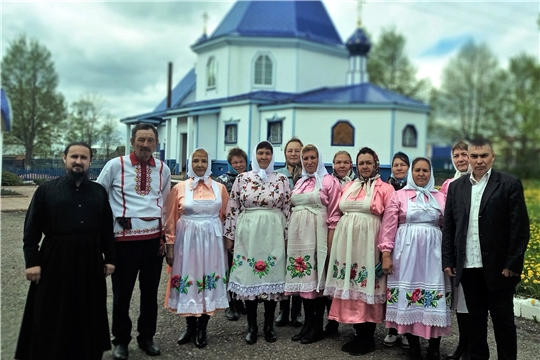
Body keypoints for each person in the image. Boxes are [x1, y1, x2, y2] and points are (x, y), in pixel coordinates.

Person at [15, 142, 115, 360]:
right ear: (64, 158)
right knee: (52, 309)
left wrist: (110, 258)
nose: (78, 161)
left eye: (83, 157)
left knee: (88, 309)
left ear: (90, 161)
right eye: (74, 156)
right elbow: (31, 230)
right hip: (54, 259)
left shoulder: (98, 192)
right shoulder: (46, 191)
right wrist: (32, 262)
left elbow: (107, 228)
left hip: (90, 259)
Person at [442, 138, 530, 360]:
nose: (479, 161)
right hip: (469, 267)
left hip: (499, 268)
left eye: (484, 156)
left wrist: (512, 264)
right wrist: (449, 260)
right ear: (468, 157)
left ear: (493, 157)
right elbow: (450, 227)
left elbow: (519, 228)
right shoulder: (456, 187)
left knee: (503, 323)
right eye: (474, 156)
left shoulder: (509, 184)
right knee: (475, 323)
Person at [97, 123, 171, 360]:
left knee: (149, 294)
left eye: (150, 140)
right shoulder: (115, 165)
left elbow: (167, 204)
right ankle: (120, 341)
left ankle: (146, 337)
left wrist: (167, 240)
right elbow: (98, 196)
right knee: (122, 294)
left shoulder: (163, 169)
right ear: (132, 141)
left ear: (156, 144)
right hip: (123, 241)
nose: (145, 144)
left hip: (153, 242)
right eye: (141, 139)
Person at [379, 157, 451, 360]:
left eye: (425, 170)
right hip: (406, 254)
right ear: (412, 173)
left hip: (433, 255)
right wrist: (386, 254)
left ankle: (434, 347)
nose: (421, 174)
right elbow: (388, 226)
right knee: (409, 296)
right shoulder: (399, 196)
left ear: (431, 173)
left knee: (433, 299)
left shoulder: (441, 197)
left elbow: (447, 227)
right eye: (417, 170)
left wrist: (448, 257)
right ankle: (413, 346)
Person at [324, 147, 394, 356]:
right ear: (357, 165)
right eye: (361, 163)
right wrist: (331, 245)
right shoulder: (348, 186)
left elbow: (389, 223)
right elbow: (335, 215)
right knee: (351, 286)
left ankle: (367, 337)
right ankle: (357, 332)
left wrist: (385, 251)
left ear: (375, 165)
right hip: (346, 245)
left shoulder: (385, 189)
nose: (364, 166)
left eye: (368, 163)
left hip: (369, 244)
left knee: (367, 288)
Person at [224, 140, 291, 344]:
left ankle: (268, 326)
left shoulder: (281, 179)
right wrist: (230, 235)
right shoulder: (242, 178)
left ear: (272, 156)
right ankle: (252, 326)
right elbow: (233, 206)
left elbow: (287, 208)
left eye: (267, 153)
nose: (264, 157)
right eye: (260, 153)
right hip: (248, 233)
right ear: (255, 155)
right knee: (250, 278)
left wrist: (287, 237)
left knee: (271, 276)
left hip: (274, 232)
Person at [164, 148, 229, 348]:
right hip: (187, 240)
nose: (200, 164)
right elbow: (171, 218)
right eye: (196, 160)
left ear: (209, 163)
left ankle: (203, 327)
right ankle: (190, 326)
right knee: (189, 278)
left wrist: (227, 241)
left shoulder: (220, 188)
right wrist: (170, 244)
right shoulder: (180, 188)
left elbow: (225, 217)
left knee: (208, 278)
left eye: (203, 161)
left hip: (212, 241)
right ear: (190, 163)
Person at [284, 144, 341, 344]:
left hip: (318, 235)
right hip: (300, 237)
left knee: (316, 283)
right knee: (304, 283)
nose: (309, 162)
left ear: (319, 159)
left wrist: (330, 240)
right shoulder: (300, 182)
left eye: (312, 158)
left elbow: (335, 212)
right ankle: (307, 324)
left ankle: (317, 326)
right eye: (305, 158)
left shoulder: (329, 181)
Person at [439, 140, 471, 360]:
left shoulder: (479, 182)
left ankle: (475, 346)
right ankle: (464, 343)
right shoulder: (449, 185)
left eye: (464, 154)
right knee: (460, 302)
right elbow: (446, 223)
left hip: (478, 251)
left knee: (475, 303)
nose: (460, 159)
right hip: (458, 252)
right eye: (456, 155)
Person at [216, 147, 249, 321]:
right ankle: (230, 303)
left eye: (241, 161)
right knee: (229, 265)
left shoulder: (252, 178)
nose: (238, 165)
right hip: (228, 226)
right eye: (235, 162)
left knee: (242, 265)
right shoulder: (222, 181)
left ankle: (240, 300)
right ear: (230, 163)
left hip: (247, 227)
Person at [275, 137, 304, 327]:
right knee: (283, 265)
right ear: (284, 153)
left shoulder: (308, 175)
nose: (293, 154)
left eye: (297, 151)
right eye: (290, 151)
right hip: (282, 225)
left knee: (300, 265)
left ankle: (296, 311)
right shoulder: (277, 175)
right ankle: (283, 309)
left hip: (302, 225)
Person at [384, 151, 411, 348]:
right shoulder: (387, 187)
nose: (399, 168)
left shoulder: (414, 189)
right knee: (393, 285)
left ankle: (409, 330)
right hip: (391, 241)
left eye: (402, 164)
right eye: (396, 165)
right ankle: (392, 329)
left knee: (408, 285)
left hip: (409, 245)